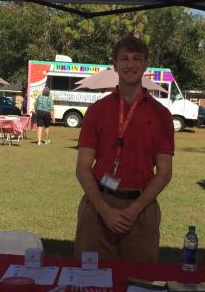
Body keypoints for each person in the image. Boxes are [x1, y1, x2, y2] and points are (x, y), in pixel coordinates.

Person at [74, 35, 174, 262]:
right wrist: (104, 210)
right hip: (98, 204)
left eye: (136, 59)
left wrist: (134, 210)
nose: (130, 64)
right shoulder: (97, 110)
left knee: (139, 279)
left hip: (141, 208)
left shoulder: (161, 115)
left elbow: (164, 172)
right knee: (90, 276)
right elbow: (82, 168)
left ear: (145, 65)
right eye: (124, 58)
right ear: (115, 64)